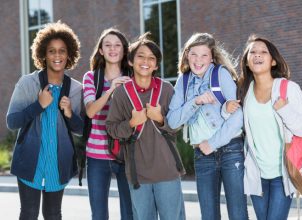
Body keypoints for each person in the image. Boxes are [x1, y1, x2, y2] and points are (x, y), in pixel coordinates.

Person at [6, 21, 83, 219]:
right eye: (51, 51)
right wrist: (38, 105)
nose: (57, 56)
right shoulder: (27, 83)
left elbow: (81, 129)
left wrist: (69, 113)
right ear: (43, 54)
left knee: (53, 214)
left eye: (62, 51)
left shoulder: (75, 89)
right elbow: (12, 121)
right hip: (30, 161)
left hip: (58, 163)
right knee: (29, 214)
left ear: (69, 54)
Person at [227, 34, 302, 219]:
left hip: (283, 173)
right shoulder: (244, 91)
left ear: (273, 61)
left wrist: (284, 109)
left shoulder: (289, 88)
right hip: (257, 174)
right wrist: (226, 110)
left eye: (263, 52)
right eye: (253, 52)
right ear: (247, 62)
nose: (257, 55)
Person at [167, 33, 248, 220]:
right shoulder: (183, 81)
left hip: (230, 150)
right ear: (187, 55)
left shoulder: (221, 74)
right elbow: (172, 121)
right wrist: (196, 101)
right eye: (194, 54)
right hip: (202, 156)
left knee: (238, 213)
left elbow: (238, 116)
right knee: (208, 215)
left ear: (212, 57)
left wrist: (212, 143)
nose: (198, 60)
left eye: (204, 55)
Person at [106, 32, 185, 220]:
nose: (146, 61)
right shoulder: (122, 94)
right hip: (137, 174)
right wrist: (132, 123)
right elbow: (111, 128)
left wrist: (160, 119)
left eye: (152, 58)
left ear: (156, 65)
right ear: (131, 61)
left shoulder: (166, 89)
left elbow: (177, 126)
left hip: (167, 171)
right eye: (140, 56)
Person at [82, 28, 133, 220]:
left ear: (124, 50)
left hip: (126, 154)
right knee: (99, 214)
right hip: (96, 157)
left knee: (129, 213)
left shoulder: (132, 77)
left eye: (117, 45)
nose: (113, 49)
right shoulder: (91, 78)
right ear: (101, 51)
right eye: (108, 45)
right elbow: (90, 111)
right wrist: (111, 89)